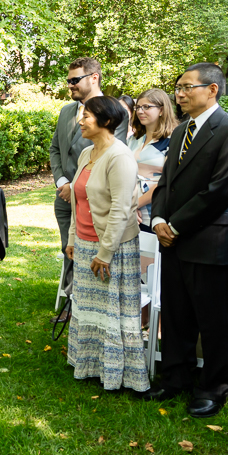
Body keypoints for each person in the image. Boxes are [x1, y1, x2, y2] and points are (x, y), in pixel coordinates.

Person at [143, 63, 228, 418]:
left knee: (212, 317)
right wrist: (158, 219)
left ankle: (213, 386)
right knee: (175, 314)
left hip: (208, 238)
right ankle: (176, 376)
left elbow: (220, 191)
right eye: (178, 87)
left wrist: (175, 226)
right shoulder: (180, 132)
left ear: (212, 90)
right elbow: (166, 182)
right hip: (170, 237)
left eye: (188, 87)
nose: (180, 93)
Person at [64, 97, 148, 392]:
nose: (80, 121)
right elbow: (78, 199)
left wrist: (105, 252)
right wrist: (74, 238)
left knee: (113, 313)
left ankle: (119, 373)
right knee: (89, 309)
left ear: (106, 121)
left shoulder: (120, 156)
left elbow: (121, 208)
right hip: (86, 244)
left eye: (86, 116)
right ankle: (89, 365)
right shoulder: (87, 152)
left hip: (112, 248)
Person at [49, 57, 129, 321]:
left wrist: (77, 186)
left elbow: (106, 154)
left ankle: (89, 311)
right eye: (68, 80)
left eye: (75, 80)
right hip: (66, 197)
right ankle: (74, 304)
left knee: (94, 254)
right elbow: (56, 150)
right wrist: (63, 184)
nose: (69, 85)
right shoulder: (65, 112)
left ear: (94, 77)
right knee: (70, 249)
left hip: (97, 200)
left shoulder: (114, 111)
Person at [127, 89, 178, 232]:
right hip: (129, 210)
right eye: (138, 107)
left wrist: (135, 204)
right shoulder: (133, 139)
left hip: (155, 213)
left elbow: (166, 181)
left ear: (161, 110)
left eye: (147, 107)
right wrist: (129, 206)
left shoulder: (172, 141)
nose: (140, 111)